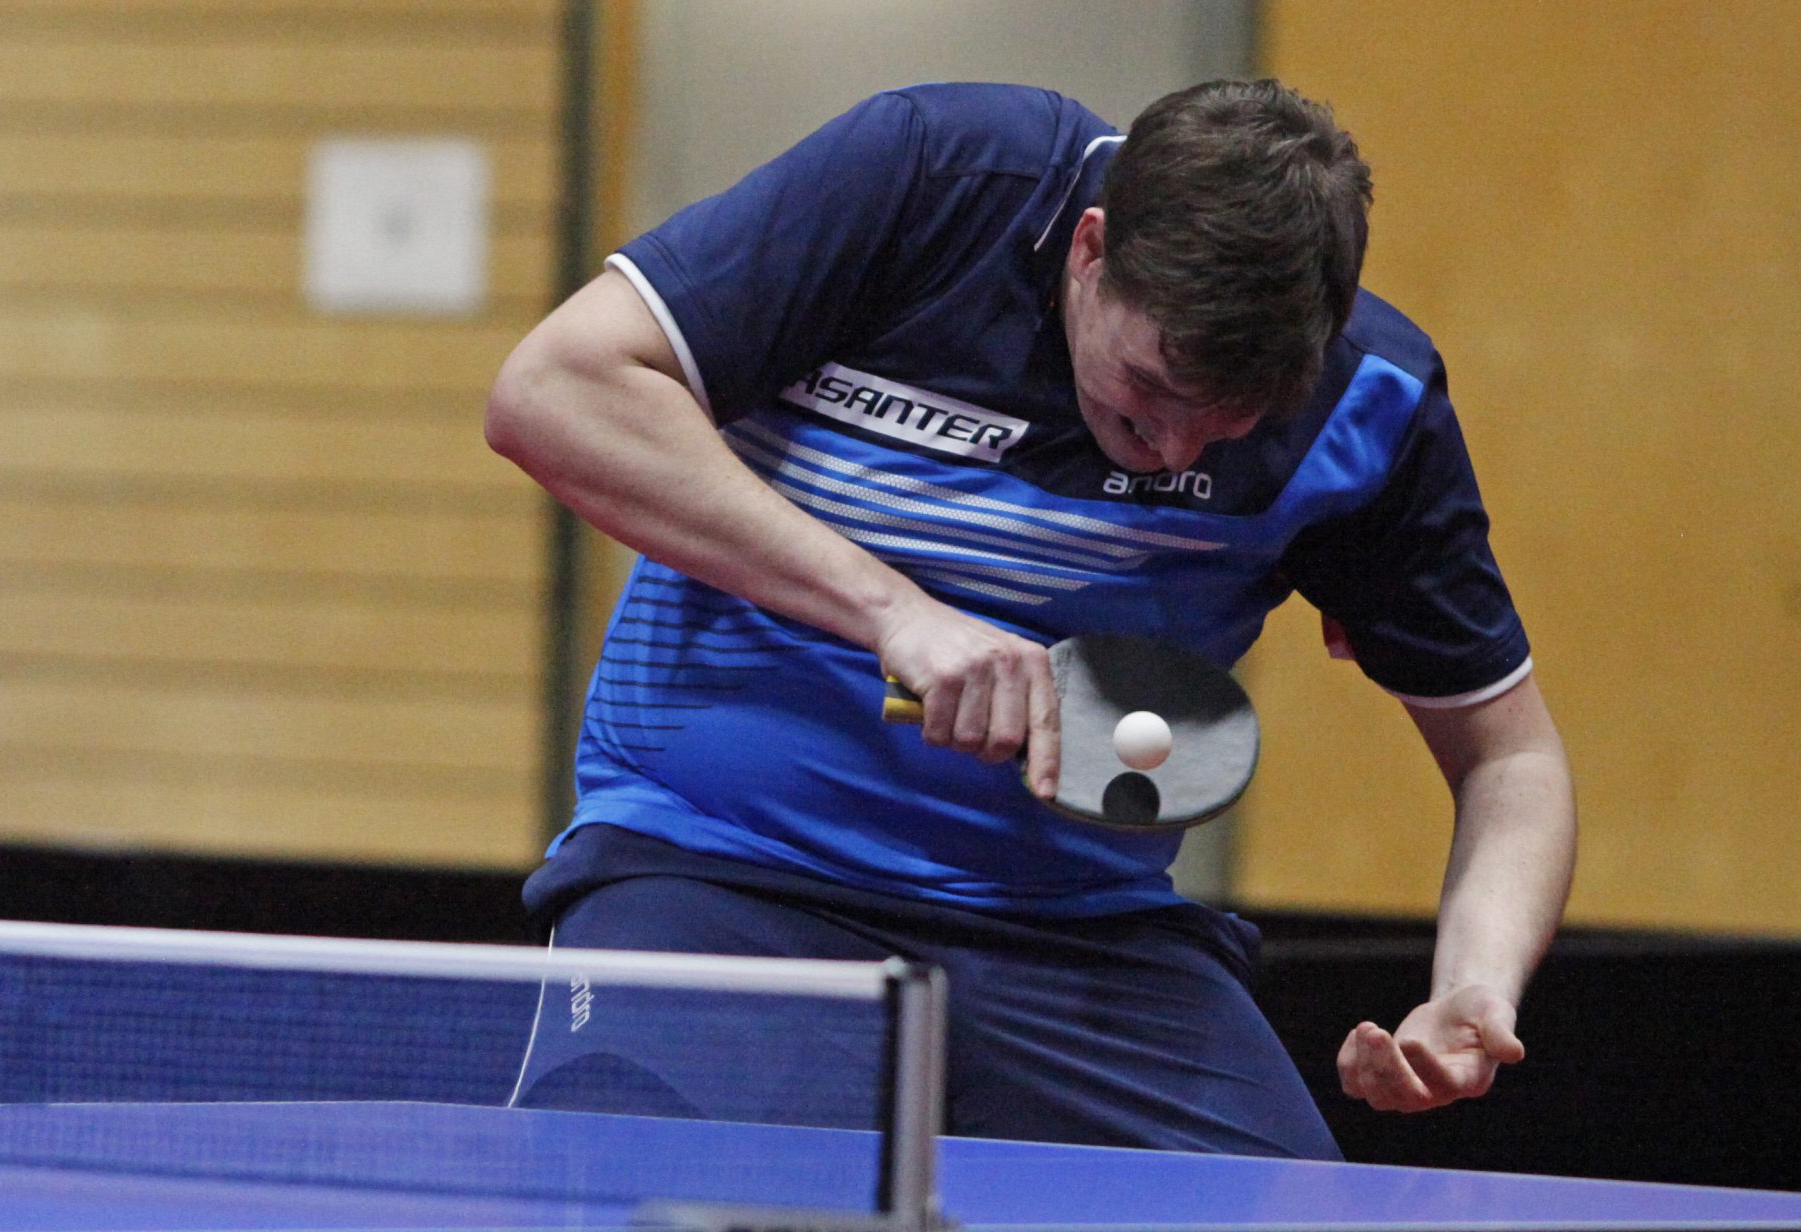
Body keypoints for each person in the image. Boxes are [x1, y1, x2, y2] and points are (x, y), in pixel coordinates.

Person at [482, 79, 1576, 1159]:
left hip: (1077, 928)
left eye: (1231, 421)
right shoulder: (936, 178)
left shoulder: (1368, 406)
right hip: (719, 863)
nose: (1174, 450)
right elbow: (554, 391)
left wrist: (1473, 989)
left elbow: (1509, 760)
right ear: (1089, 251)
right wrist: (896, 615)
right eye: (1150, 387)